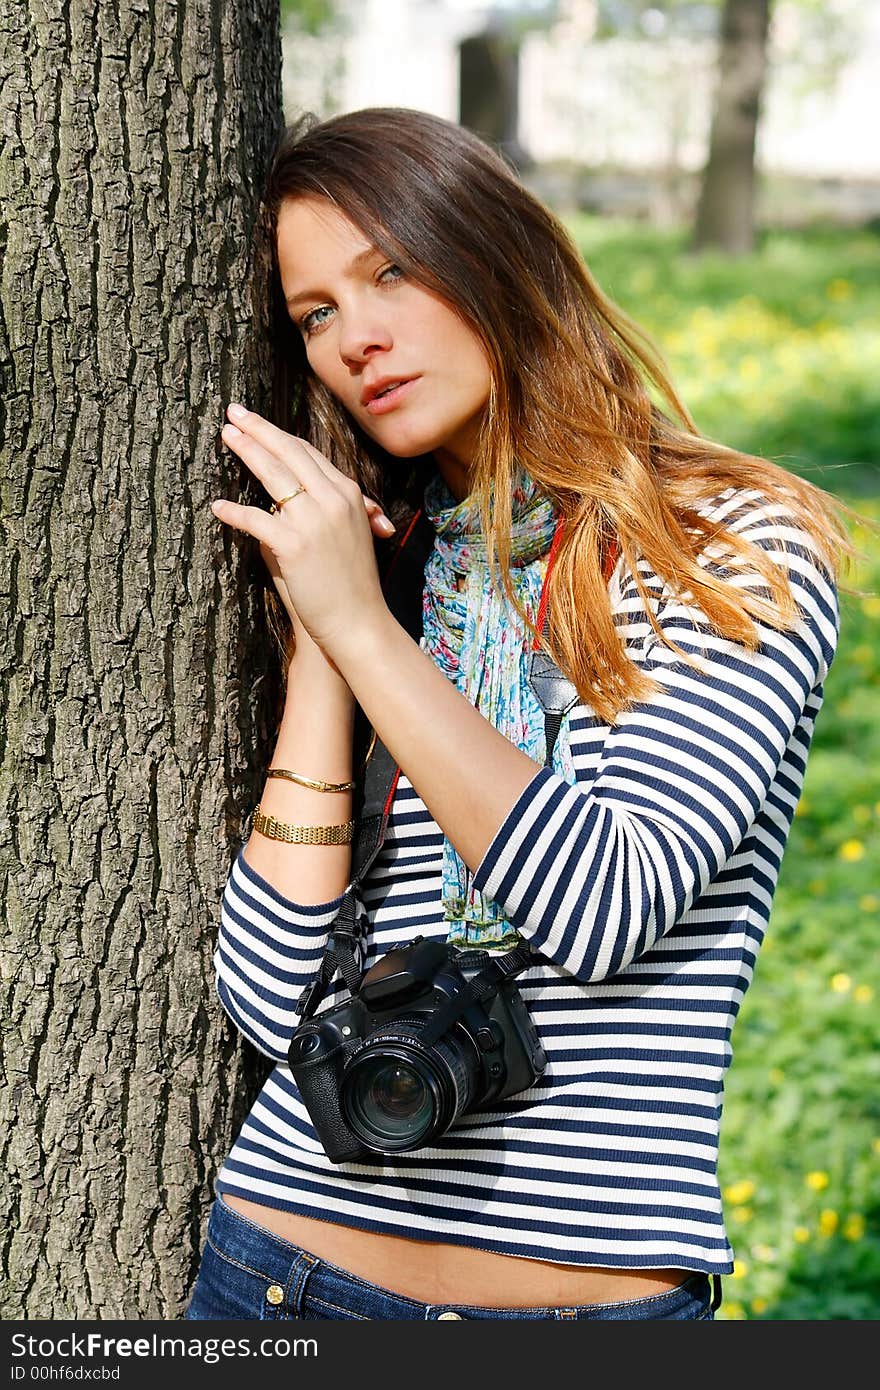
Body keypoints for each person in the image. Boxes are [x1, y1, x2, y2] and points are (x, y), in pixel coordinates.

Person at [184, 107, 847, 1322]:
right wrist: (335, 643)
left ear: (494, 250)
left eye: (391, 270)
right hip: (270, 1278)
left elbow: (603, 905)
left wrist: (367, 636)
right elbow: (269, 999)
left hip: (579, 1313)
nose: (357, 341)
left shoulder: (730, 548)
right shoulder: (383, 576)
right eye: (316, 314)